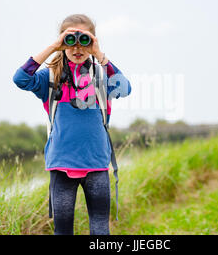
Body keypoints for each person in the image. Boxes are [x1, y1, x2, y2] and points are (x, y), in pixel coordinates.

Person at [12, 14, 132, 235]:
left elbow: (124, 88)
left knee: (99, 229)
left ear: (93, 41)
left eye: (84, 40)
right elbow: (20, 79)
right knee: (63, 230)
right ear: (62, 42)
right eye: (70, 40)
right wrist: (53, 47)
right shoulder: (49, 78)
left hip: (96, 162)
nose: (77, 47)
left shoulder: (101, 76)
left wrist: (99, 55)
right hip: (61, 164)